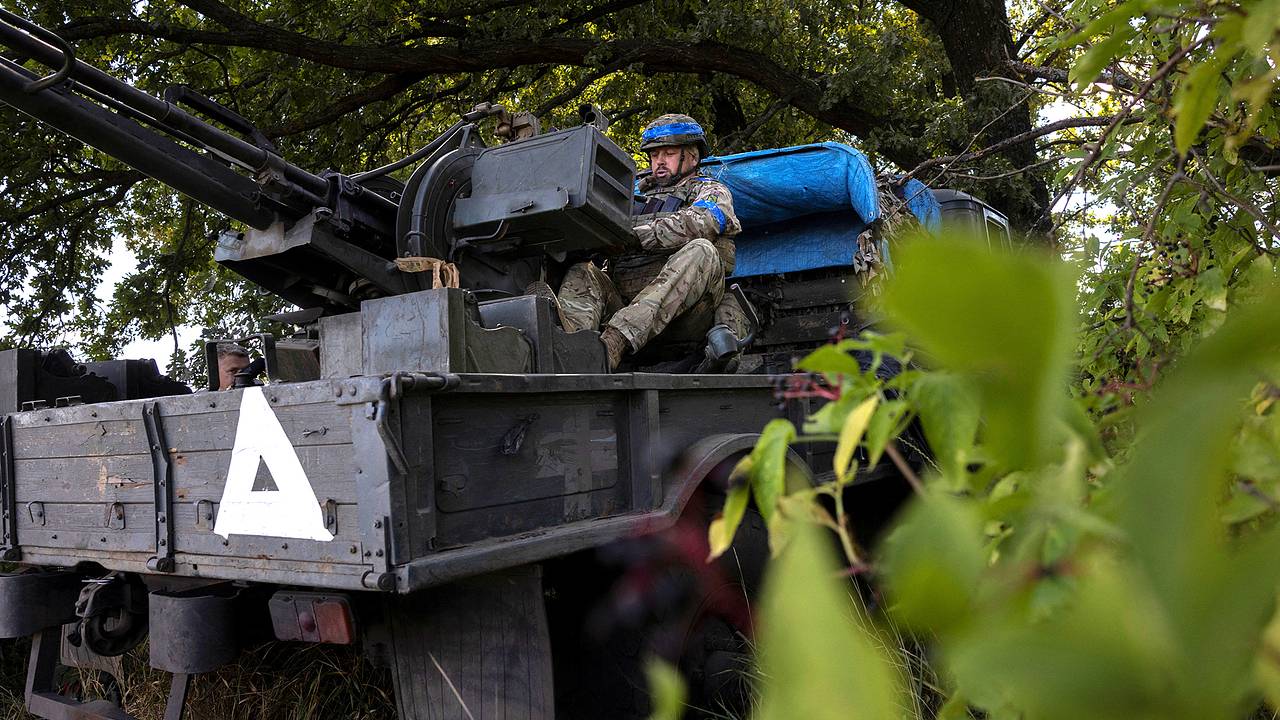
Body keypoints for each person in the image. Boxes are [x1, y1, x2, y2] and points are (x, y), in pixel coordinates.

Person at [536, 113, 741, 370]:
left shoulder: (711, 191)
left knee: (702, 249)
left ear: (692, 156)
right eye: (655, 155)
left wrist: (635, 236)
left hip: (686, 318)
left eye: (668, 153)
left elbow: (701, 222)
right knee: (583, 271)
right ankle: (573, 347)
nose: (659, 162)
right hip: (626, 303)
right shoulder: (631, 196)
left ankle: (614, 342)